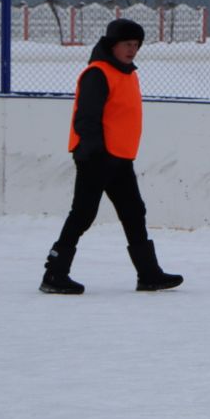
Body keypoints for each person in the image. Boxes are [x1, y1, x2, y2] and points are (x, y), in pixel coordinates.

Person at [40, 17, 183, 294]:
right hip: (97, 157)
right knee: (83, 214)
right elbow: (86, 119)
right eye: (127, 44)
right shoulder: (98, 73)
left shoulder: (128, 73)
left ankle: (149, 274)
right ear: (112, 45)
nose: (132, 50)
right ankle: (54, 274)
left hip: (119, 158)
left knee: (133, 212)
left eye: (136, 45)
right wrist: (95, 152)